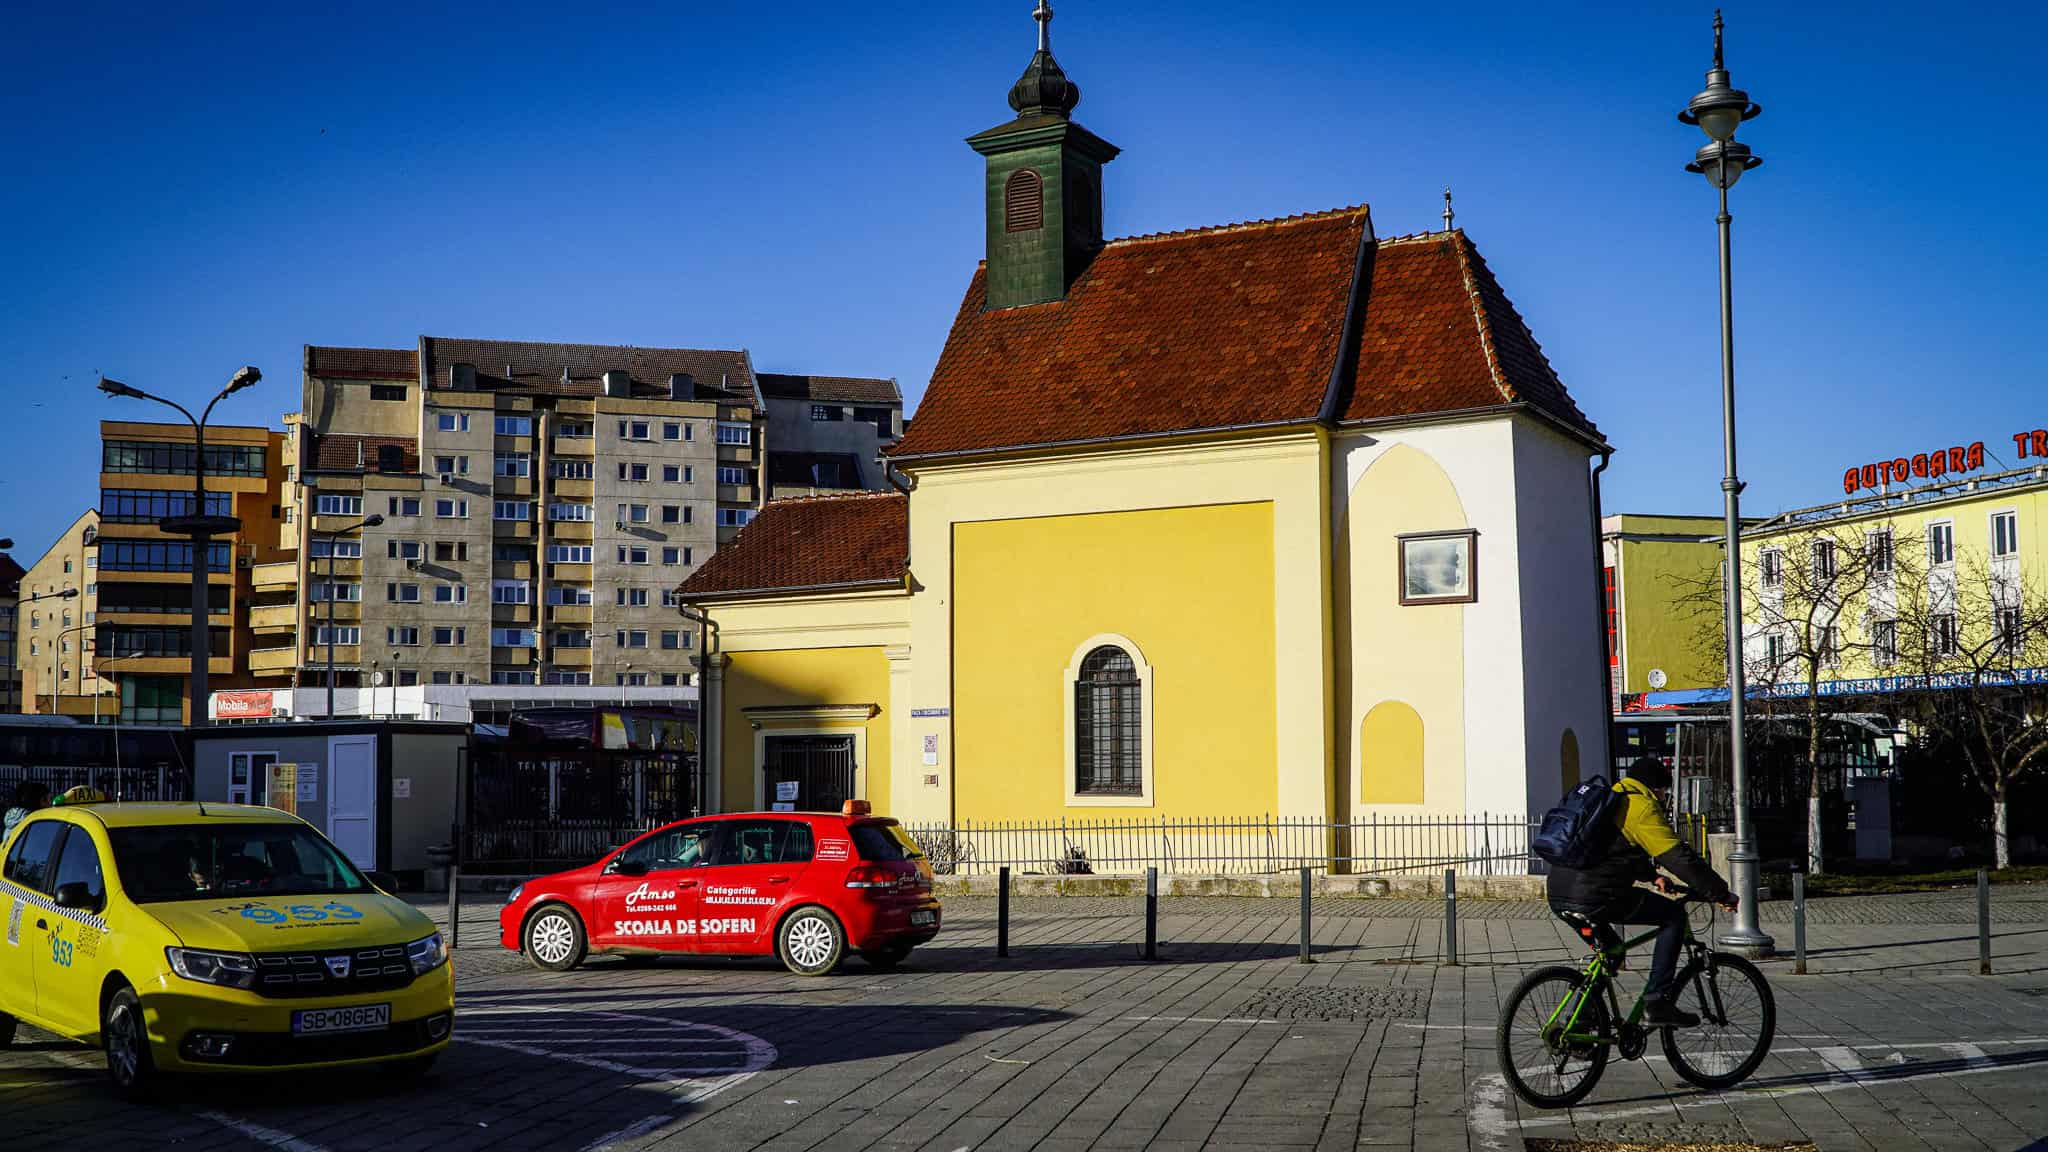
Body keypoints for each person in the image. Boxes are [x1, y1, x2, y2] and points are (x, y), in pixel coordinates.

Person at [1546, 755, 1737, 1027]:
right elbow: (1678, 857)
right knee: (1673, 916)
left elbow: (1611, 850)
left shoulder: (1610, 798)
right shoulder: (1641, 806)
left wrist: (1652, 877)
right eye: (1664, 790)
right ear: (1655, 787)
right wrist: (1720, 893)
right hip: (1596, 896)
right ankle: (1657, 1001)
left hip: (1558, 891)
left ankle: (1580, 1024)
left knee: (1612, 952)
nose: (1664, 796)